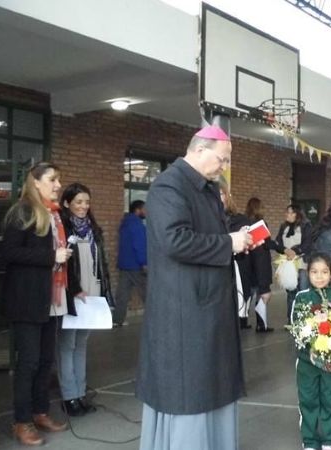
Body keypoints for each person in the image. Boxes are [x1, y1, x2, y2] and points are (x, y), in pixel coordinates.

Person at [136, 125, 252, 450]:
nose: (225, 167)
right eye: (223, 159)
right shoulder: (168, 186)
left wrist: (238, 242)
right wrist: (228, 243)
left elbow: (209, 237)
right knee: (190, 389)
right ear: (199, 150)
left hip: (209, 304)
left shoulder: (205, 188)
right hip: (184, 308)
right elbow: (174, 240)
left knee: (213, 382)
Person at [2, 162, 71, 445]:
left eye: (58, 179)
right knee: (28, 363)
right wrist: (51, 258)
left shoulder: (55, 215)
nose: (58, 185)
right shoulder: (23, 211)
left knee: (45, 361)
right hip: (28, 301)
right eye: (52, 179)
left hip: (52, 299)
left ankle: (40, 411)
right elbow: (9, 252)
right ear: (36, 182)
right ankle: (21, 421)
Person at [58, 183, 114, 417]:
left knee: (81, 344)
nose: (83, 206)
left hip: (92, 291)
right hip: (71, 292)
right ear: (67, 203)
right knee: (66, 345)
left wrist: (104, 292)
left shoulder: (93, 228)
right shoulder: (61, 226)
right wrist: (73, 289)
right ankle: (69, 396)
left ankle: (80, 392)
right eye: (78, 202)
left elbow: (101, 263)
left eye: (86, 202)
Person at [291, 253, 331, 450]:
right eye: (314, 272)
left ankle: (330, 439)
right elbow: (295, 328)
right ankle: (310, 441)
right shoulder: (301, 297)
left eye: (324, 272)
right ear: (308, 274)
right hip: (307, 362)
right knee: (308, 399)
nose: (319, 276)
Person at [219, 177, 253, 329]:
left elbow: (255, 255)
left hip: (236, 276)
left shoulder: (241, 220)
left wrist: (264, 286)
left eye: (220, 193)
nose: (217, 198)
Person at [275, 204, 313, 322]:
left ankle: (304, 319)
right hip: (288, 263)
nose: (288, 215)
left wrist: (295, 251)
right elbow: (278, 243)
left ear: (298, 214)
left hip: (302, 263)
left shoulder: (306, 226)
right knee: (291, 291)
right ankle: (292, 319)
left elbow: (308, 243)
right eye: (287, 212)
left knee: (303, 291)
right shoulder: (283, 227)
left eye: (292, 213)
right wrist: (284, 250)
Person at [115, 200, 147, 327]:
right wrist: (144, 262)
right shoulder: (137, 225)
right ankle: (156, 320)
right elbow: (140, 245)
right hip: (136, 266)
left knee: (122, 294)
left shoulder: (125, 223)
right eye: (145, 209)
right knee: (148, 293)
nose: (146, 212)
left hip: (124, 265)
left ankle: (117, 320)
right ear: (138, 210)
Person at [244, 197, 274, 332]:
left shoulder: (245, 223)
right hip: (260, 263)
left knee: (247, 293)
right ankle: (261, 324)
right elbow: (266, 244)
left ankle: (242, 320)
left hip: (247, 263)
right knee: (261, 294)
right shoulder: (261, 224)